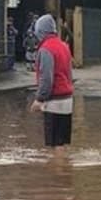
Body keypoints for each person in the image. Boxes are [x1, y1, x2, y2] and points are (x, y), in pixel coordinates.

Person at [29, 14, 74, 152]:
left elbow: (46, 78)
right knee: (62, 144)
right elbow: (69, 74)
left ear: (40, 31)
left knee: (55, 145)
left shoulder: (46, 49)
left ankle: (58, 172)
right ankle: (65, 170)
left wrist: (39, 99)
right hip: (67, 100)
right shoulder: (64, 46)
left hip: (54, 102)